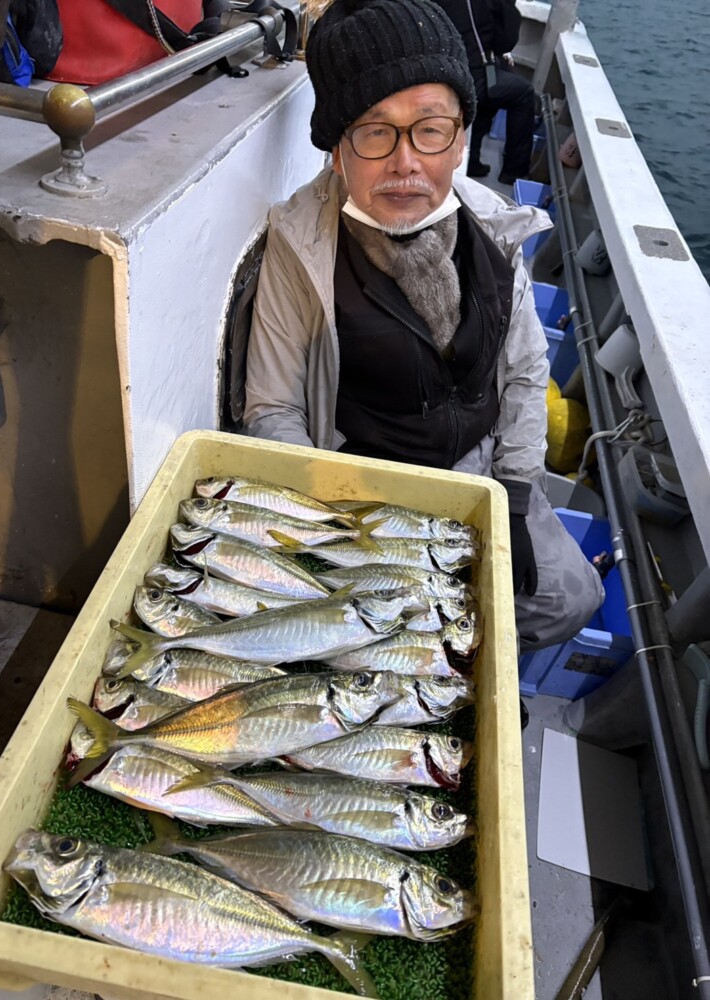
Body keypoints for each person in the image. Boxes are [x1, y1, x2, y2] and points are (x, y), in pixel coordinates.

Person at [243, 0, 604, 653]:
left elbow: (523, 376)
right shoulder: (302, 249)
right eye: (375, 132)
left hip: (482, 468)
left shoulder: (494, 230)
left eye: (430, 128)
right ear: (336, 153)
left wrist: (516, 497)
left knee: (571, 596)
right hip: (366, 490)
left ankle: (451, 662)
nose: (406, 161)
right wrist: (328, 523)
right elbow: (271, 409)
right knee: (366, 630)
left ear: (462, 137)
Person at [434, 0, 535, 184]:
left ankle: (473, 160)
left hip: (440, 72)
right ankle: (515, 171)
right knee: (523, 93)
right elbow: (505, 43)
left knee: (497, 76)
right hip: (470, 79)